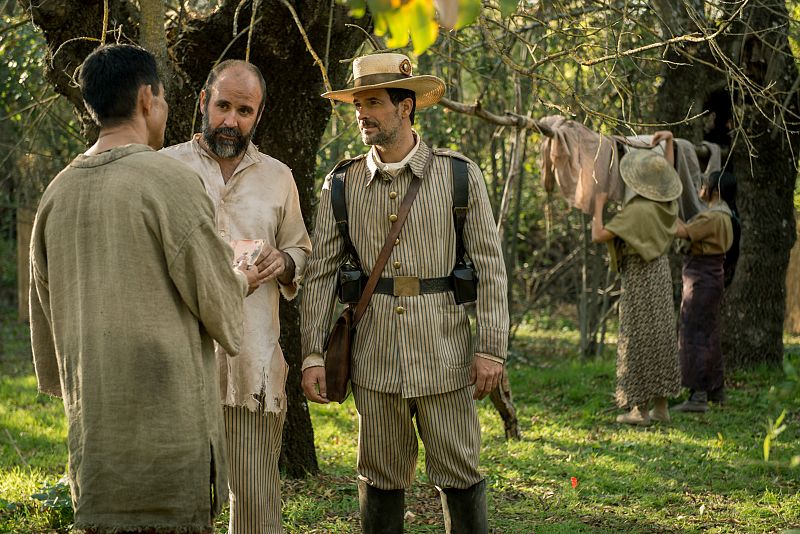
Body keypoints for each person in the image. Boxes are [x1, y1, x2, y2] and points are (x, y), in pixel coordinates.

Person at [29, 44, 257, 533]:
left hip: (96, 444)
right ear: (148, 98)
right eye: (164, 97)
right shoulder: (169, 180)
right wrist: (243, 277)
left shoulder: (57, 193)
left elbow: (46, 322)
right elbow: (219, 303)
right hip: (169, 444)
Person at [300, 52, 509, 533]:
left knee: (460, 473)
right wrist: (313, 353)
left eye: (372, 102)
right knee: (381, 478)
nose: (361, 114)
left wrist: (492, 349)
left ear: (406, 107)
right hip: (375, 358)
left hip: (446, 353)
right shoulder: (342, 183)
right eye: (357, 104)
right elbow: (321, 274)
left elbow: (491, 269)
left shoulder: (459, 175)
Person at [162, 59, 311, 534]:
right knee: (180, 501)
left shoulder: (279, 177)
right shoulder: (163, 169)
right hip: (180, 362)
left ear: (258, 116)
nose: (231, 120)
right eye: (223, 105)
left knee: (254, 502)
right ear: (203, 102)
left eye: (244, 111)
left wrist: (283, 263)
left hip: (252, 361)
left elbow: (302, 250)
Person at [591, 131, 682, 426]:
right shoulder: (666, 205)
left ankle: (638, 410)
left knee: (637, 338)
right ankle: (662, 407)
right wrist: (668, 140)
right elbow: (667, 171)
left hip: (639, 277)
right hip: (660, 273)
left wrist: (598, 204)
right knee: (661, 336)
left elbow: (599, 235)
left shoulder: (636, 212)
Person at [673, 171, 737, 412]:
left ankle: (698, 396)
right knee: (708, 334)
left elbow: (683, 232)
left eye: (705, 184)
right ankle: (716, 390)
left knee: (693, 334)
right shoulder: (726, 215)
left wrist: (665, 209)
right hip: (711, 275)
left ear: (716, 191)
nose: (701, 187)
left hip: (701, 277)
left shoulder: (712, 217)